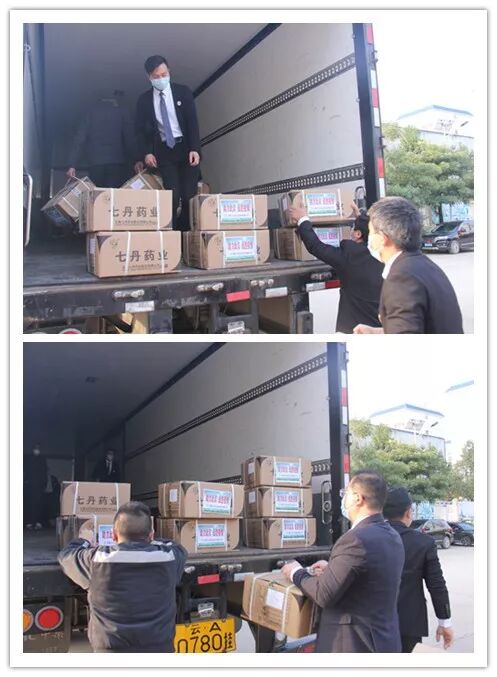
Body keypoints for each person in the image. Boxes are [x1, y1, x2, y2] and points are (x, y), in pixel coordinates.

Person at [281, 471, 405, 652]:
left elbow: (323, 594)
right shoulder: (392, 535)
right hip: (384, 640)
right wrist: (332, 569)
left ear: (357, 498)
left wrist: (295, 572)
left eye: (345, 493)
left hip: (354, 645)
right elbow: (369, 576)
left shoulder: (355, 539)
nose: (343, 499)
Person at [58, 501, 187, 652]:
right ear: (151, 535)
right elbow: (176, 546)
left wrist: (84, 540)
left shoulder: (97, 560)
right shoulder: (169, 557)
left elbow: (66, 555)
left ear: (113, 535)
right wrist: (150, 541)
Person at [353, 197, 464, 334]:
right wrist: (377, 333)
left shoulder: (402, 278)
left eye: (371, 232)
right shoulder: (425, 266)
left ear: (382, 238)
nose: (369, 238)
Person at [287, 202, 384, 333]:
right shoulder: (386, 256)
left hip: (354, 332)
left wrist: (302, 219)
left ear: (358, 234)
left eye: (353, 228)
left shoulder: (350, 256)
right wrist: (361, 219)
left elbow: (316, 246)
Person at [383, 487, 454, 653]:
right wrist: (445, 622)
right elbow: (437, 585)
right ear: (409, 512)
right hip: (409, 624)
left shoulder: (368, 538)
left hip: (372, 625)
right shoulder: (423, 543)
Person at [135, 55, 201, 231]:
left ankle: (186, 234)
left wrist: (195, 148)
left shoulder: (183, 92)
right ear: (149, 77)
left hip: (186, 149)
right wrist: (146, 152)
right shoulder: (144, 100)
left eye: (164, 74)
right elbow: (140, 131)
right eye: (156, 76)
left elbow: (192, 122)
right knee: (172, 196)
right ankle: (171, 235)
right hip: (164, 151)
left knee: (188, 196)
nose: (161, 79)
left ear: (169, 71)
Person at [67, 96, 139, 187]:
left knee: (97, 193)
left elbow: (80, 139)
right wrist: (137, 159)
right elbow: (129, 138)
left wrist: (72, 164)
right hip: (116, 162)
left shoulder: (90, 113)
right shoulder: (122, 112)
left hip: (95, 162)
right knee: (112, 193)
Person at [24, 445, 48, 530]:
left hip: (39, 487)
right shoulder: (28, 460)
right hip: (30, 486)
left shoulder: (42, 460)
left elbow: (44, 473)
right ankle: (29, 522)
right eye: (35, 449)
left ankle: (38, 522)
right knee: (29, 504)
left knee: (39, 504)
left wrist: (44, 484)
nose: (36, 451)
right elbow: (26, 472)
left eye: (38, 449)